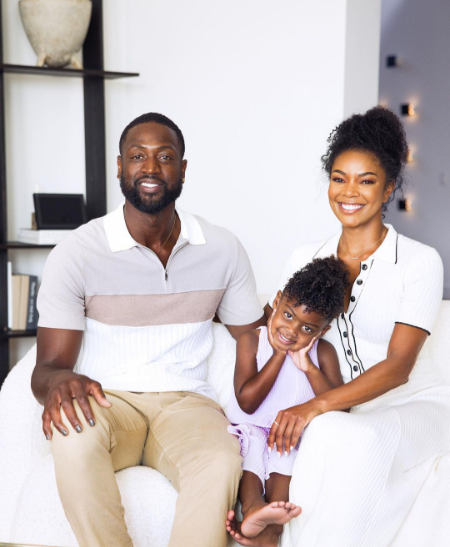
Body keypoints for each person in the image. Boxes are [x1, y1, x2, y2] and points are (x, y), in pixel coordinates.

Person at [31, 112, 265, 547]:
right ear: (120, 167)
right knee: (71, 436)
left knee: (219, 461)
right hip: (107, 399)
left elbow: (256, 336)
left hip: (187, 403)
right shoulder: (78, 252)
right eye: (138, 156)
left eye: (165, 156)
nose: (151, 168)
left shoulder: (222, 248)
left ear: (183, 169)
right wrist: (61, 379)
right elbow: (47, 368)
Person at [229, 106, 450, 547]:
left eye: (366, 181)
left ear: (388, 188)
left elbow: (398, 368)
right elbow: (275, 329)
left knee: (340, 435)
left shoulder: (419, 262)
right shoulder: (304, 257)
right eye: (339, 177)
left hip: (415, 404)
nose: (350, 192)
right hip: (335, 408)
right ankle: (269, 529)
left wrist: (314, 407)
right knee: (303, 435)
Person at [226, 257, 349, 546]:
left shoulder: (324, 353)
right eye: (289, 315)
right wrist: (279, 354)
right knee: (251, 453)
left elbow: (342, 407)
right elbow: (247, 402)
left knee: (286, 458)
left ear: (322, 331)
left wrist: (309, 368)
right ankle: (254, 506)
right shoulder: (251, 341)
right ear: (278, 301)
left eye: (308, 329)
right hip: (252, 426)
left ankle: (272, 527)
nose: (292, 331)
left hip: (290, 435)